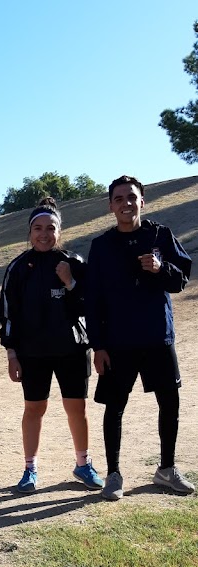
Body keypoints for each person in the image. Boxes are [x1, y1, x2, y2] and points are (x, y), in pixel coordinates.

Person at [86, 175, 194, 501]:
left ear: (142, 201)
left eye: (131, 197)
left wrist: (161, 268)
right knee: (114, 407)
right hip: (118, 342)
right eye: (119, 199)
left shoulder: (160, 235)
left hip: (158, 336)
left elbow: (180, 281)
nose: (126, 203)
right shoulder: (102, 246)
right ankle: (114, 474)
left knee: (170, 403)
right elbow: (93, 300)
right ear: (110, 206)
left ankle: (167, 469)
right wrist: (99, 345)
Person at [0, 197, 103, 494]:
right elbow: (8, 313)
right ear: (29, 232)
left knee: (76, 408)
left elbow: (90, 306)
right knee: (34, 409)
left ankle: (83, 464)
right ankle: (29, 469)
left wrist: (70, 283)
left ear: (60, 230)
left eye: (50, 228)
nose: (44, 234)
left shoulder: (74, 262)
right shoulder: (18, 268)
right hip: (33, 353)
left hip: (72, 349)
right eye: (37, 228)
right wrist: (11, 353)